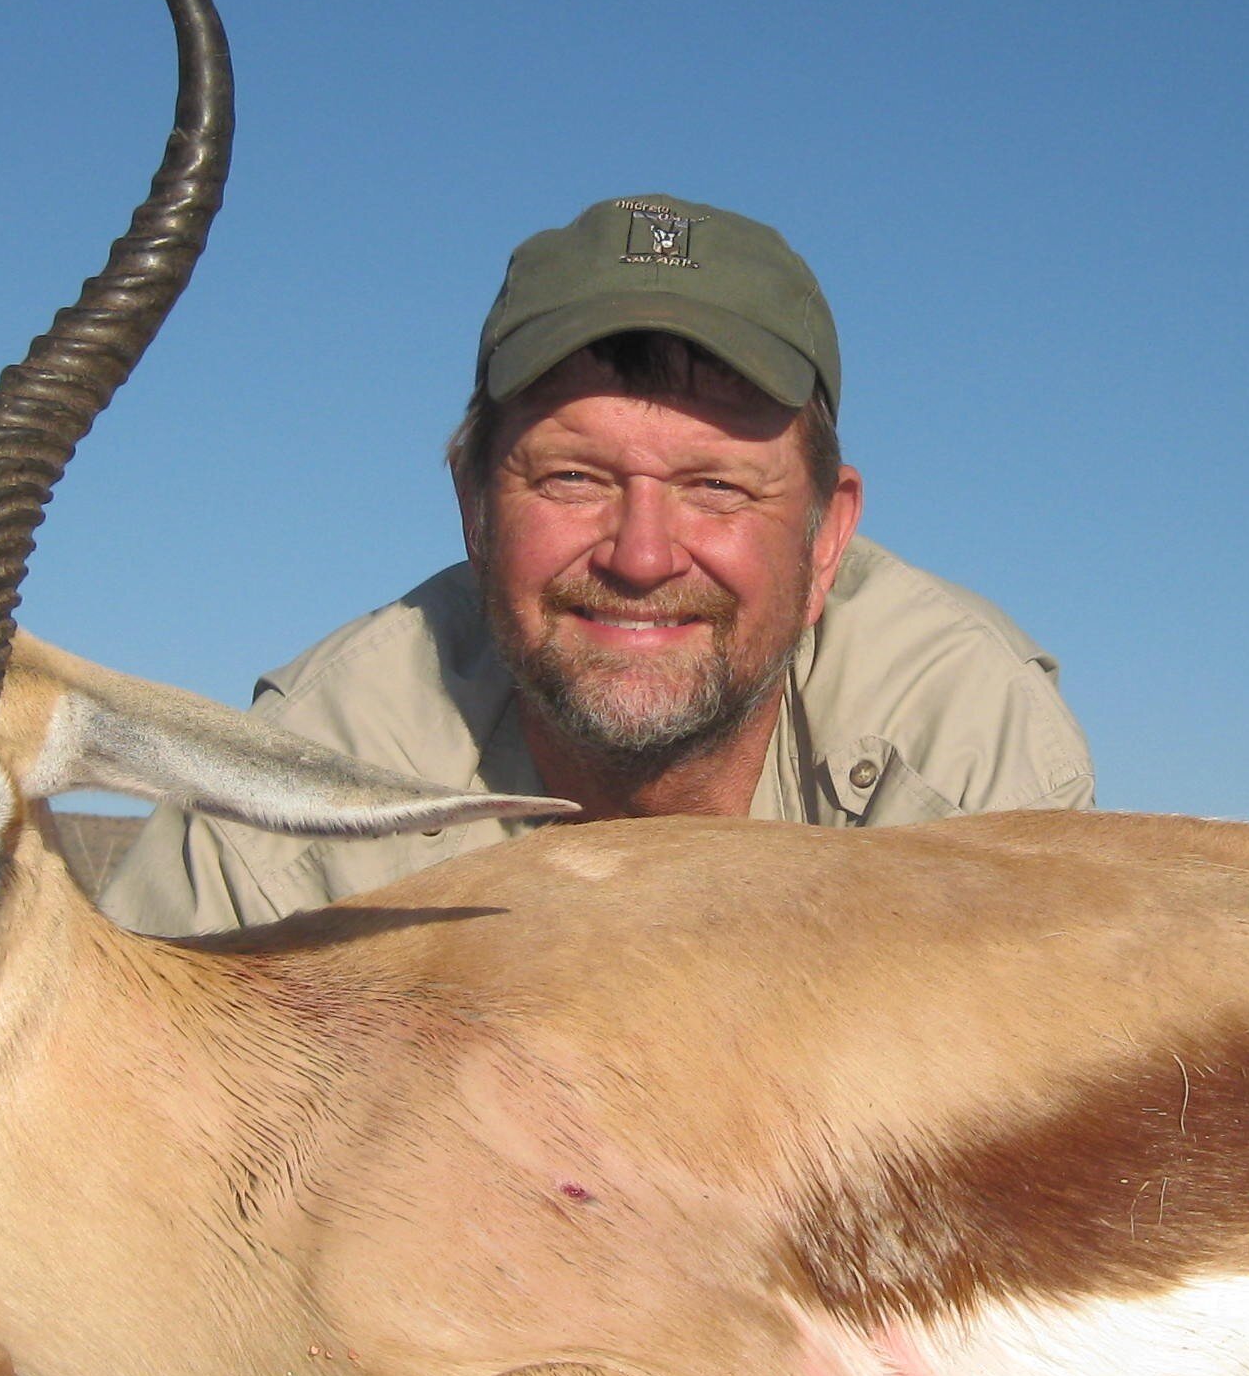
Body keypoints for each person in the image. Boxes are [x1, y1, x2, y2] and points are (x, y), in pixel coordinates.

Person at [98, 194, 1095, 937]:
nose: (643, 556)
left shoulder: (964, 747)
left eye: (718, 486)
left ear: (826, 538)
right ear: (475, 510)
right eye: (574, 477)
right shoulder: (309, 776)